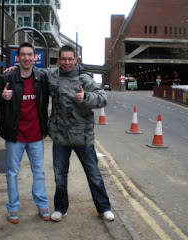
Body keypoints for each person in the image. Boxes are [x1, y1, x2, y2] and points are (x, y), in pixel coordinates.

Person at [0, 42, 51, 224]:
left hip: (36, 135)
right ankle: (13, 207)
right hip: (15, 136)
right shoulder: (7, 77)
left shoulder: (42, 78)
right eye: (23, 54)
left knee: (39, 172)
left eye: (30, 54)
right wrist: (1, 97)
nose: (27, 58)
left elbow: (62, 78)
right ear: (18, 57)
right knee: (12, 173)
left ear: (35, 57)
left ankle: (42, 205)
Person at [48, 45, 114, 222]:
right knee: (59, 176)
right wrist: (14, 69)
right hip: (60, 136)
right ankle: (60, 208)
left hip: (83, 137)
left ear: (75, 60)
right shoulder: (52, 76)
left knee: (94, 175)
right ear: (59, 60)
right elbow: (33, 73)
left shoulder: (85, 79)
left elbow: (103, 98)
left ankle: (104, 208)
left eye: (70, 59)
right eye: (64, 59)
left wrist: (86, 98)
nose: (67, 62)